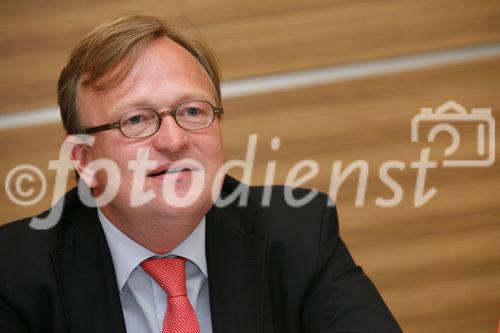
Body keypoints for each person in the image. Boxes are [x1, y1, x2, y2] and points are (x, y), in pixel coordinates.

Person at [0, 13, 402, 333]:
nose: (173, 140)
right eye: (136, 119)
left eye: (192, 111)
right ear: (85, 161)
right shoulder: (13, 272)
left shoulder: (298, 234)